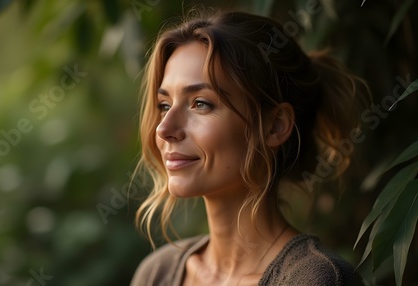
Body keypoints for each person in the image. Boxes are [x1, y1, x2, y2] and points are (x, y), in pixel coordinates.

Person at [130, 10, 368, 286]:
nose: (163, 129)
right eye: (165, 106)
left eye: (200, 103)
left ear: (275, 126)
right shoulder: (156, 273)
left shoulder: (317, 280)